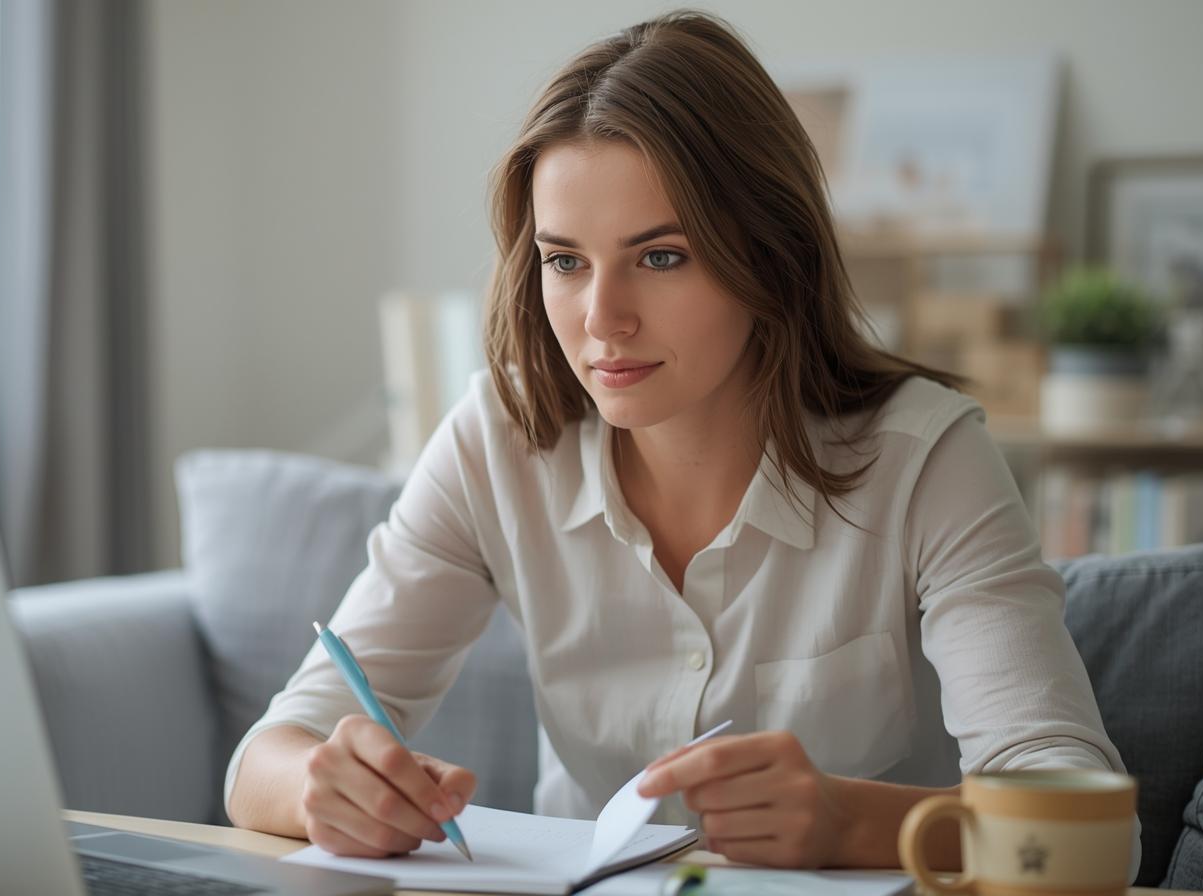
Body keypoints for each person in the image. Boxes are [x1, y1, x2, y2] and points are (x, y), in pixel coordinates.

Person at [225, 9, 1134, 872]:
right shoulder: (496, 439)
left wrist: (846, 820)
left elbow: (1096, 841)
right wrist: (323, 788)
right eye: (565, 261)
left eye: (662, 257)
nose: (600, 320)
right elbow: (261, 762)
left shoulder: (925, 458)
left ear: (768, 255)